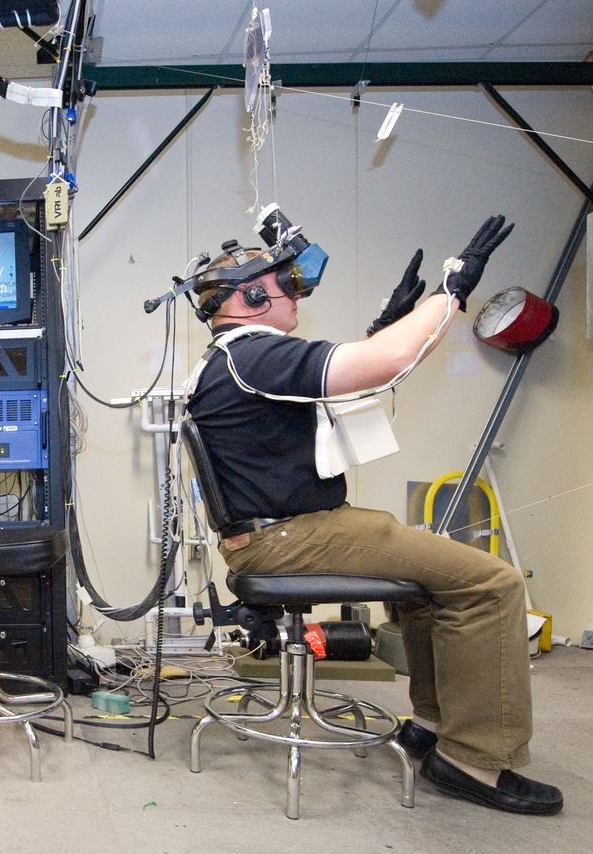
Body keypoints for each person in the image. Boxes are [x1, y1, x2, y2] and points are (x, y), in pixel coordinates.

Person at [184, 213, 563, 815]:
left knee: (422, 587)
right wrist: (451, 293)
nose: (298, 295)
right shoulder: (254, 356)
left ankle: (436, 728)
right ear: (252, 296)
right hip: (291, 537)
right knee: (492, 584)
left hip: (280, 533)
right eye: (289, 285)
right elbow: (381, 364)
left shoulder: (235, 361)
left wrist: (390, 325)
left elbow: (353, 386)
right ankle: (476, 759)